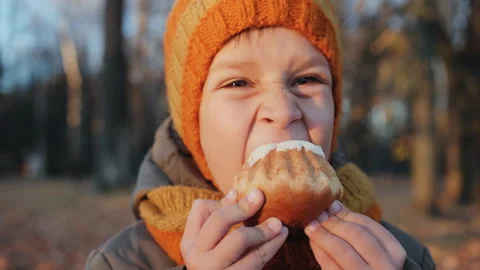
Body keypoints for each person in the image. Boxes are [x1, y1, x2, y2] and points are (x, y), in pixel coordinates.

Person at [86, 0, 435, 269]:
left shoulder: (403, 256)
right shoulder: (120, 262)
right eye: (238, 83)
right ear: (192, 121)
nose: (283, 111)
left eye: (307, 80)